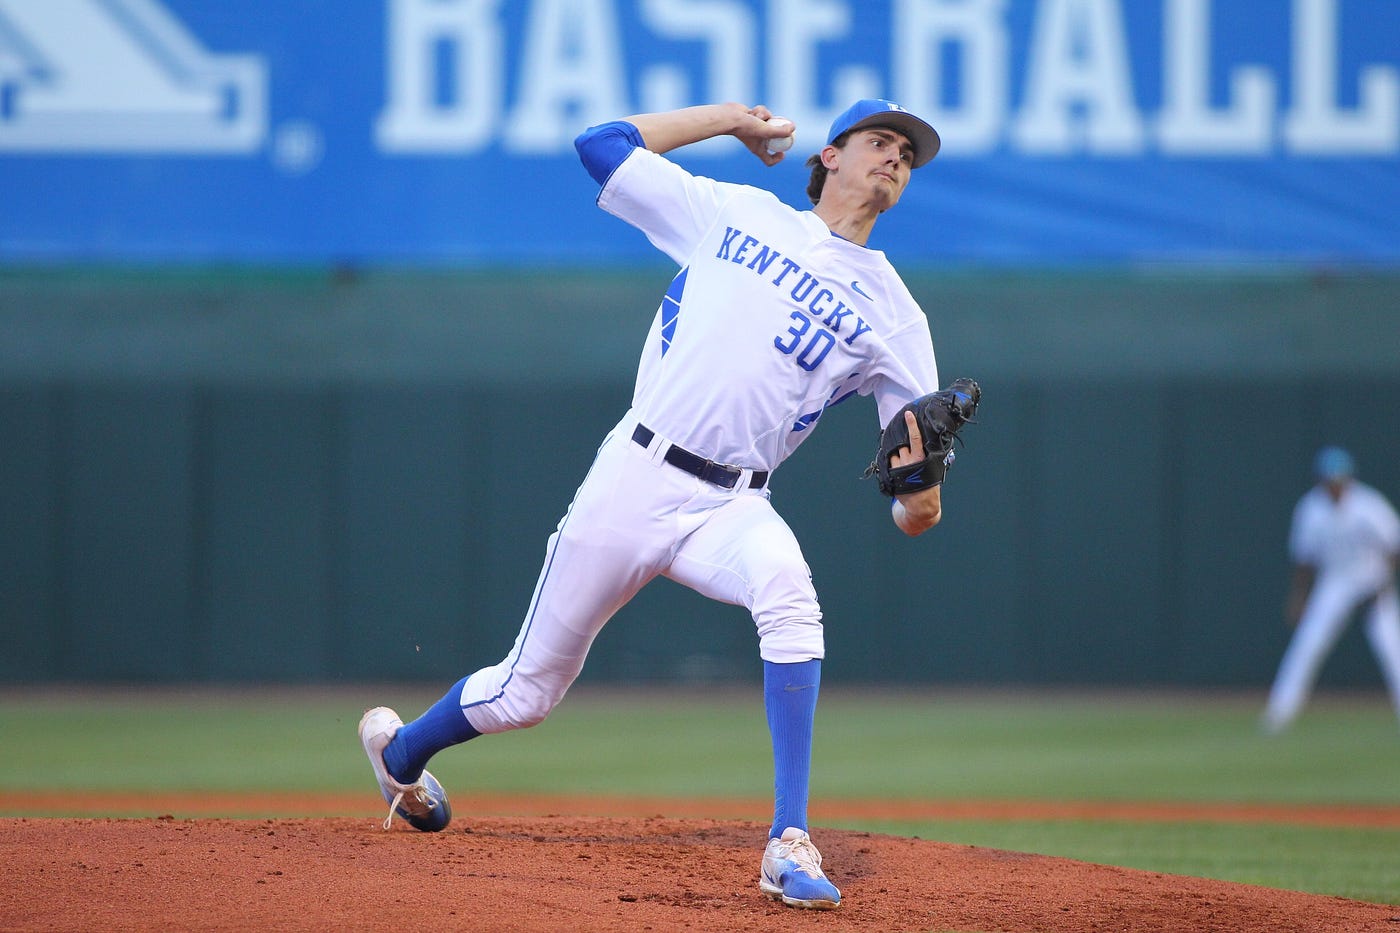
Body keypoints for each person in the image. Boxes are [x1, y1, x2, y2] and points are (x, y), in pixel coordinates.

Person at [358, 98, 951, 910]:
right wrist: (734, 121)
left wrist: (916, 502)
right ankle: (401, 755)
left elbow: (917, 500)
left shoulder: (898, 315)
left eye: (908, 155)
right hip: (636, 476)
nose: (894, 158)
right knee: (527, 692)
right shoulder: (737, 212)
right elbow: (600, 146)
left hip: (735, 503)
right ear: (830, 154)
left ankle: (788, 839)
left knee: (791, 596)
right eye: (878, 141)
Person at [1262, 446, 1400, 733]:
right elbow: (1304, 560)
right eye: (1329, 480)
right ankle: (1280, 713)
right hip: (1335, 581)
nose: (1335, 486)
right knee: (1308, 644)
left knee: (1392, 649)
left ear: (1349, 479)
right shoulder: (1311, 509)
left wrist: (1384, 584)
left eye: (1339, 480)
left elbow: (1393, 547)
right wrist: (1298, 598)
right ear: (1321, 481)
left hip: (1371, 580)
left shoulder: (1368, 505)